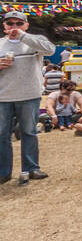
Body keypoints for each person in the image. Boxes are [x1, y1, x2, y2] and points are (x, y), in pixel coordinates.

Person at [0, 11, 56, 185]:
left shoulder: (34, 41)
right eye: (10, 24)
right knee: (2, 135)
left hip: (29, 95)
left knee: (29, 132)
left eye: (19, 23)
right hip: (3, 96)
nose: (14, 27)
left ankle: (32, 168)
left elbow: (50, 50)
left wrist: (23, 36)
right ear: (4, 26)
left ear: (26, 25)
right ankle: (3, 172)